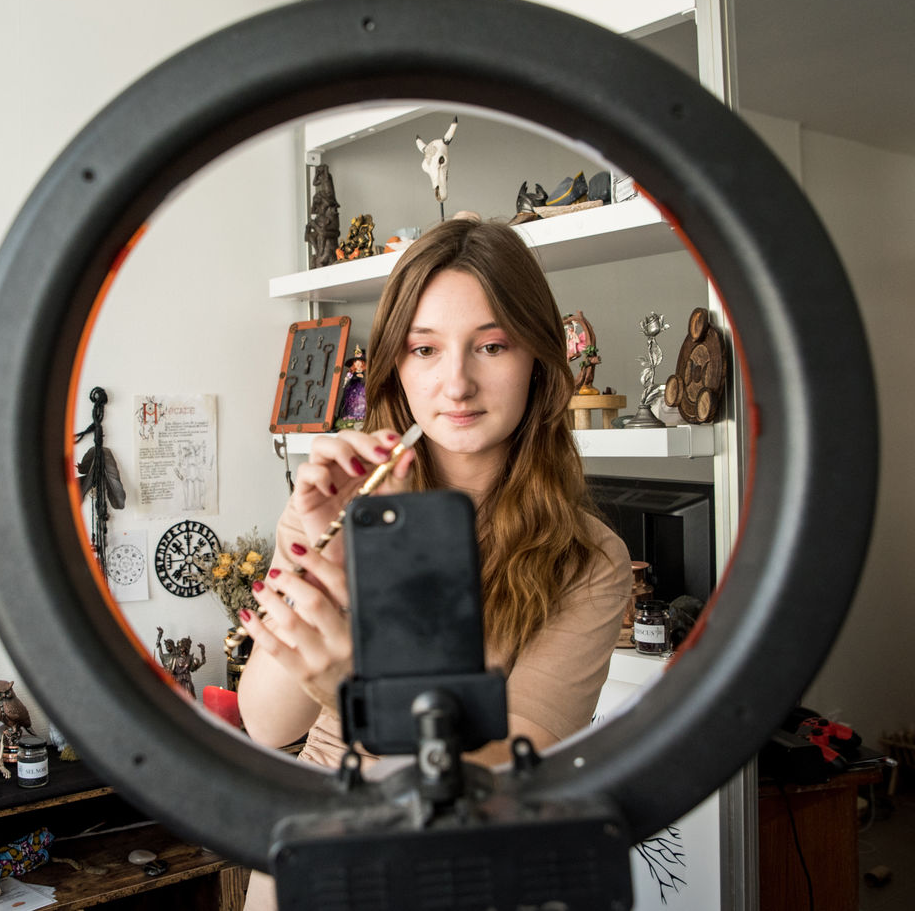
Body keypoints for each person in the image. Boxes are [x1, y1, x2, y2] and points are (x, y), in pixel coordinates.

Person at [236, 217, 632, 909]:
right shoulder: (339, 504)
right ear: (396, 363)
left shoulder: (587, 561)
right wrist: (329, 560)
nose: (456, 383)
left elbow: (509, 780)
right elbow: (269, 723)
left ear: (537, 358)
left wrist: (358, 694)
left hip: (460, 876)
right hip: (313, 853)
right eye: (425, 349)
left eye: (491, 345)